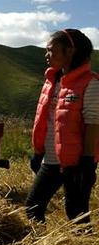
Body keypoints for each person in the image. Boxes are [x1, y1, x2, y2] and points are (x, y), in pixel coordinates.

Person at [26, 28, 99, 224]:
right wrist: (39, 152)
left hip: (76, 162)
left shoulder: (90, 83)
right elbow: (46, 121)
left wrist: (86, 163)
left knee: (76, 213)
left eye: (51, 50)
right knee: (33, 208)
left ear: (70, 51)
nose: (47, 55)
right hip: (50, 159)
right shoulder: (51, 81)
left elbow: (93, 124)